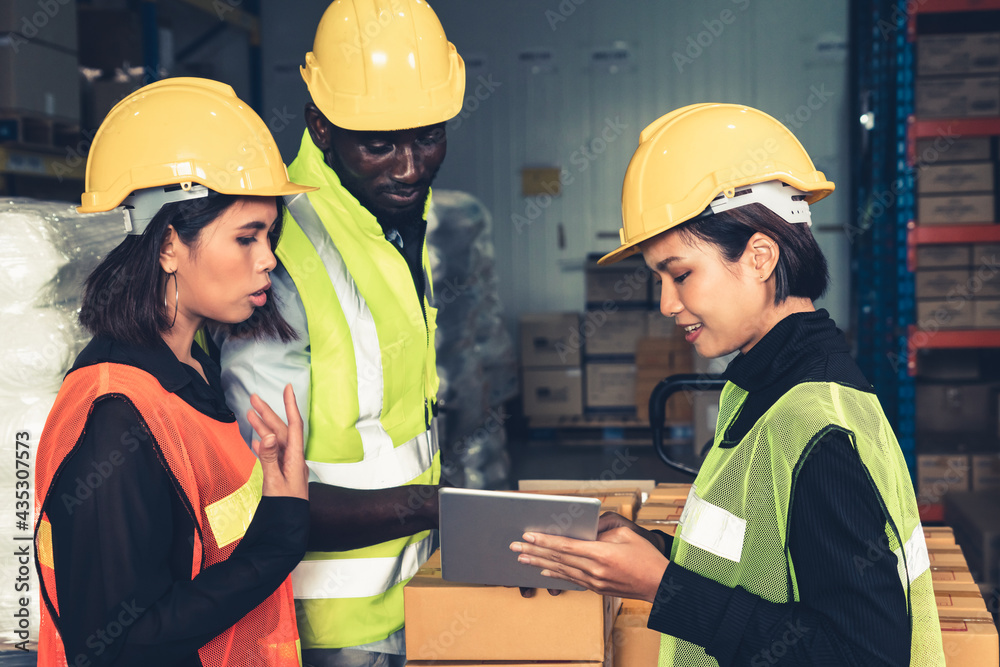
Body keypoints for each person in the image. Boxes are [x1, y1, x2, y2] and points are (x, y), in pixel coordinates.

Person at [510, 103, 946, 666]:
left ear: (760, 256)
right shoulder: (763, 385)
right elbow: (759, 562)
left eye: (681, 274)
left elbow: (861, 655)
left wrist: (664, 587)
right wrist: (649, 552)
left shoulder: (819, 429)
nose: (667, 304)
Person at [213, 1, 466, 665]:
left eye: (428, 136)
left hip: (412, 599)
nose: (411, 166)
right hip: (325, 628)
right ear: (321, 127)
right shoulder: (281, 253)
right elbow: (257, 491)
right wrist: (441, 505)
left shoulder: (391, 225)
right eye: (379, 143)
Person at [33, 77, 315, 666]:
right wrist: (281, 533)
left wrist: (277, 496)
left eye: (270, 235)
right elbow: (123, 641)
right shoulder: (117, 415)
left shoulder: (188, 371)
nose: (267, 259)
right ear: (167, 245)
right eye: (247, 237)